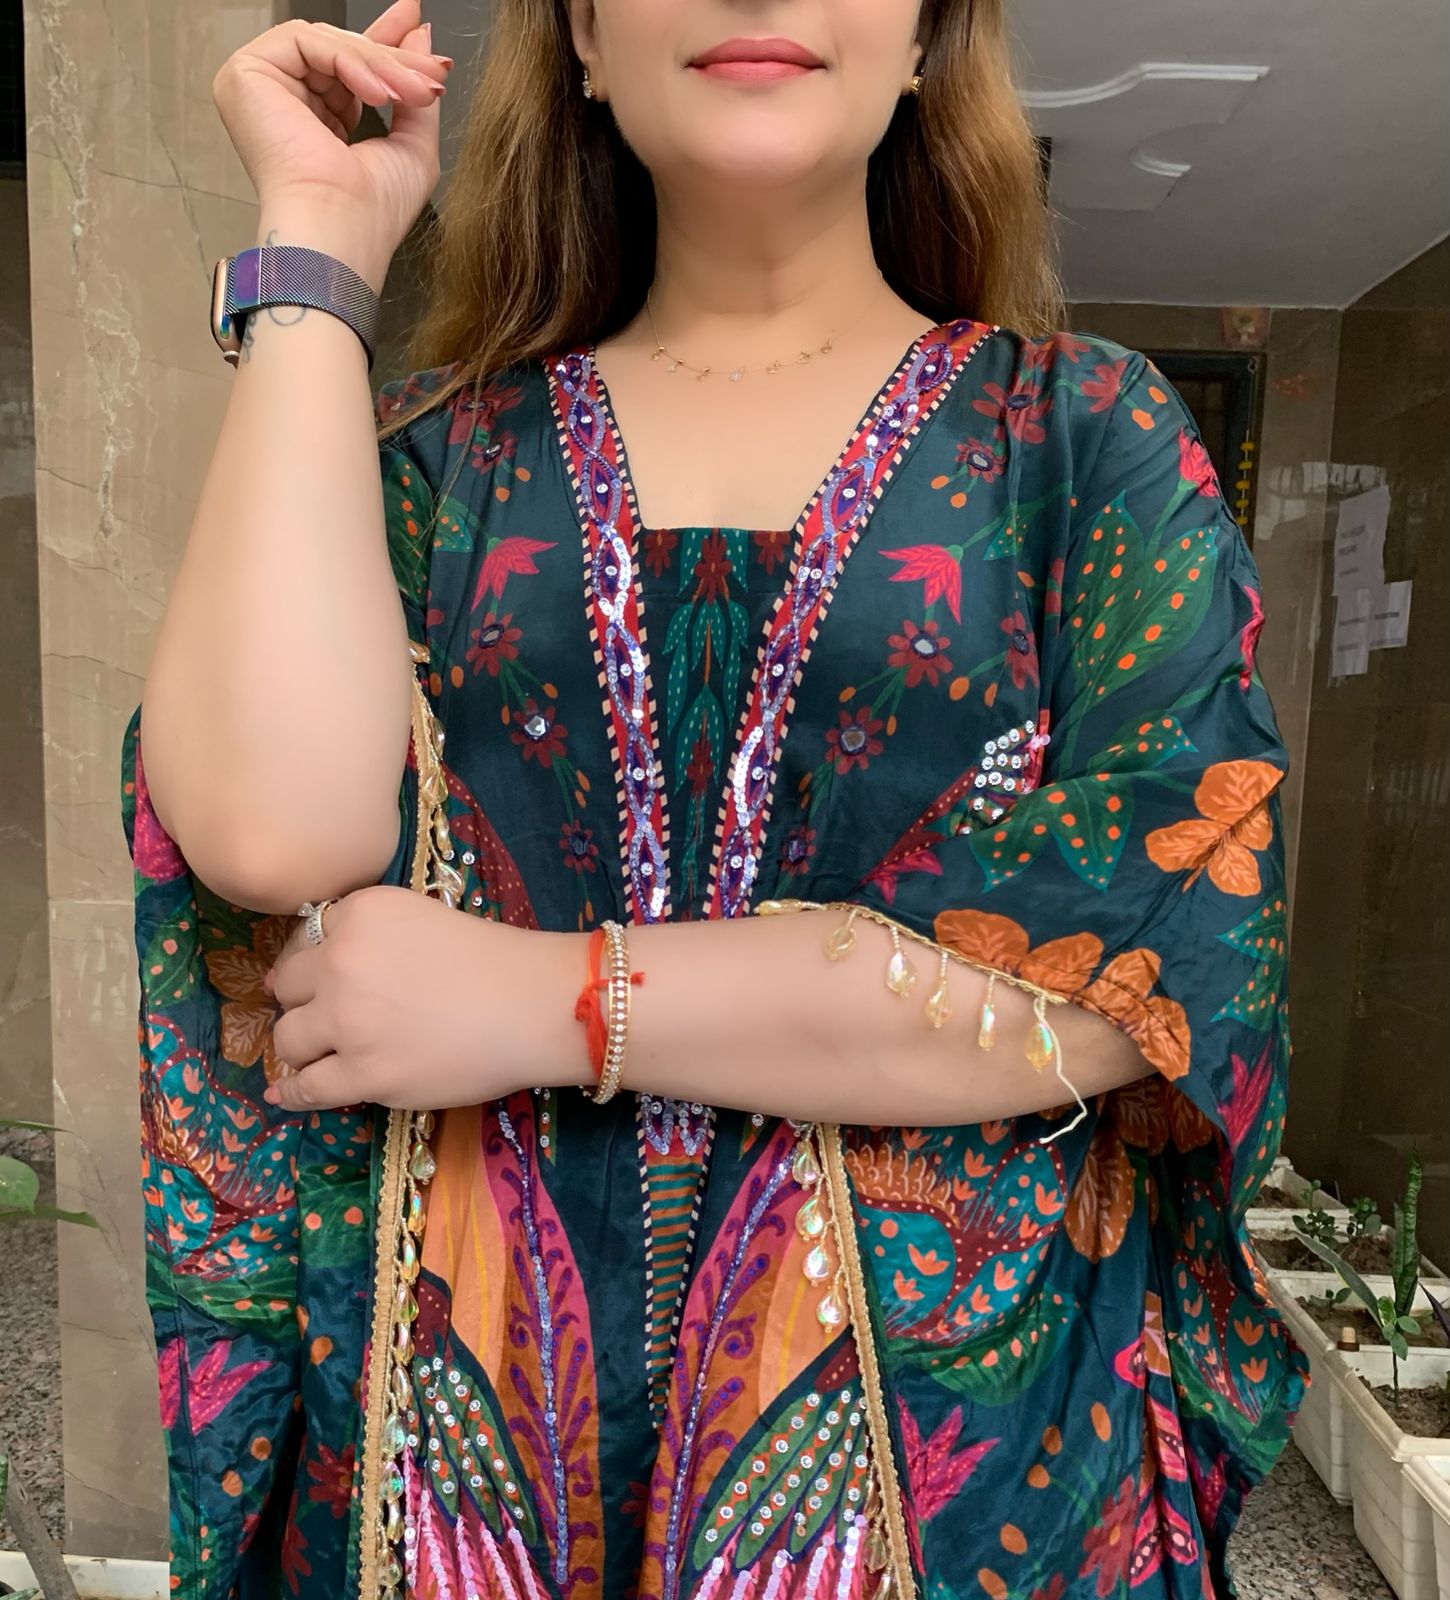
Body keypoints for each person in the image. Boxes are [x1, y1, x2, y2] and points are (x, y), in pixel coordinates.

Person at [128, 0, 1305, 1594]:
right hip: (459, 1470)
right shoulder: (436, 462)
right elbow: (269, 839)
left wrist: (555, 999)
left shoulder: (1078, 439)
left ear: (924, 41)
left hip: (955, 1484)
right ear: (582, 39)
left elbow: (1133, 970)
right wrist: (317, 256)